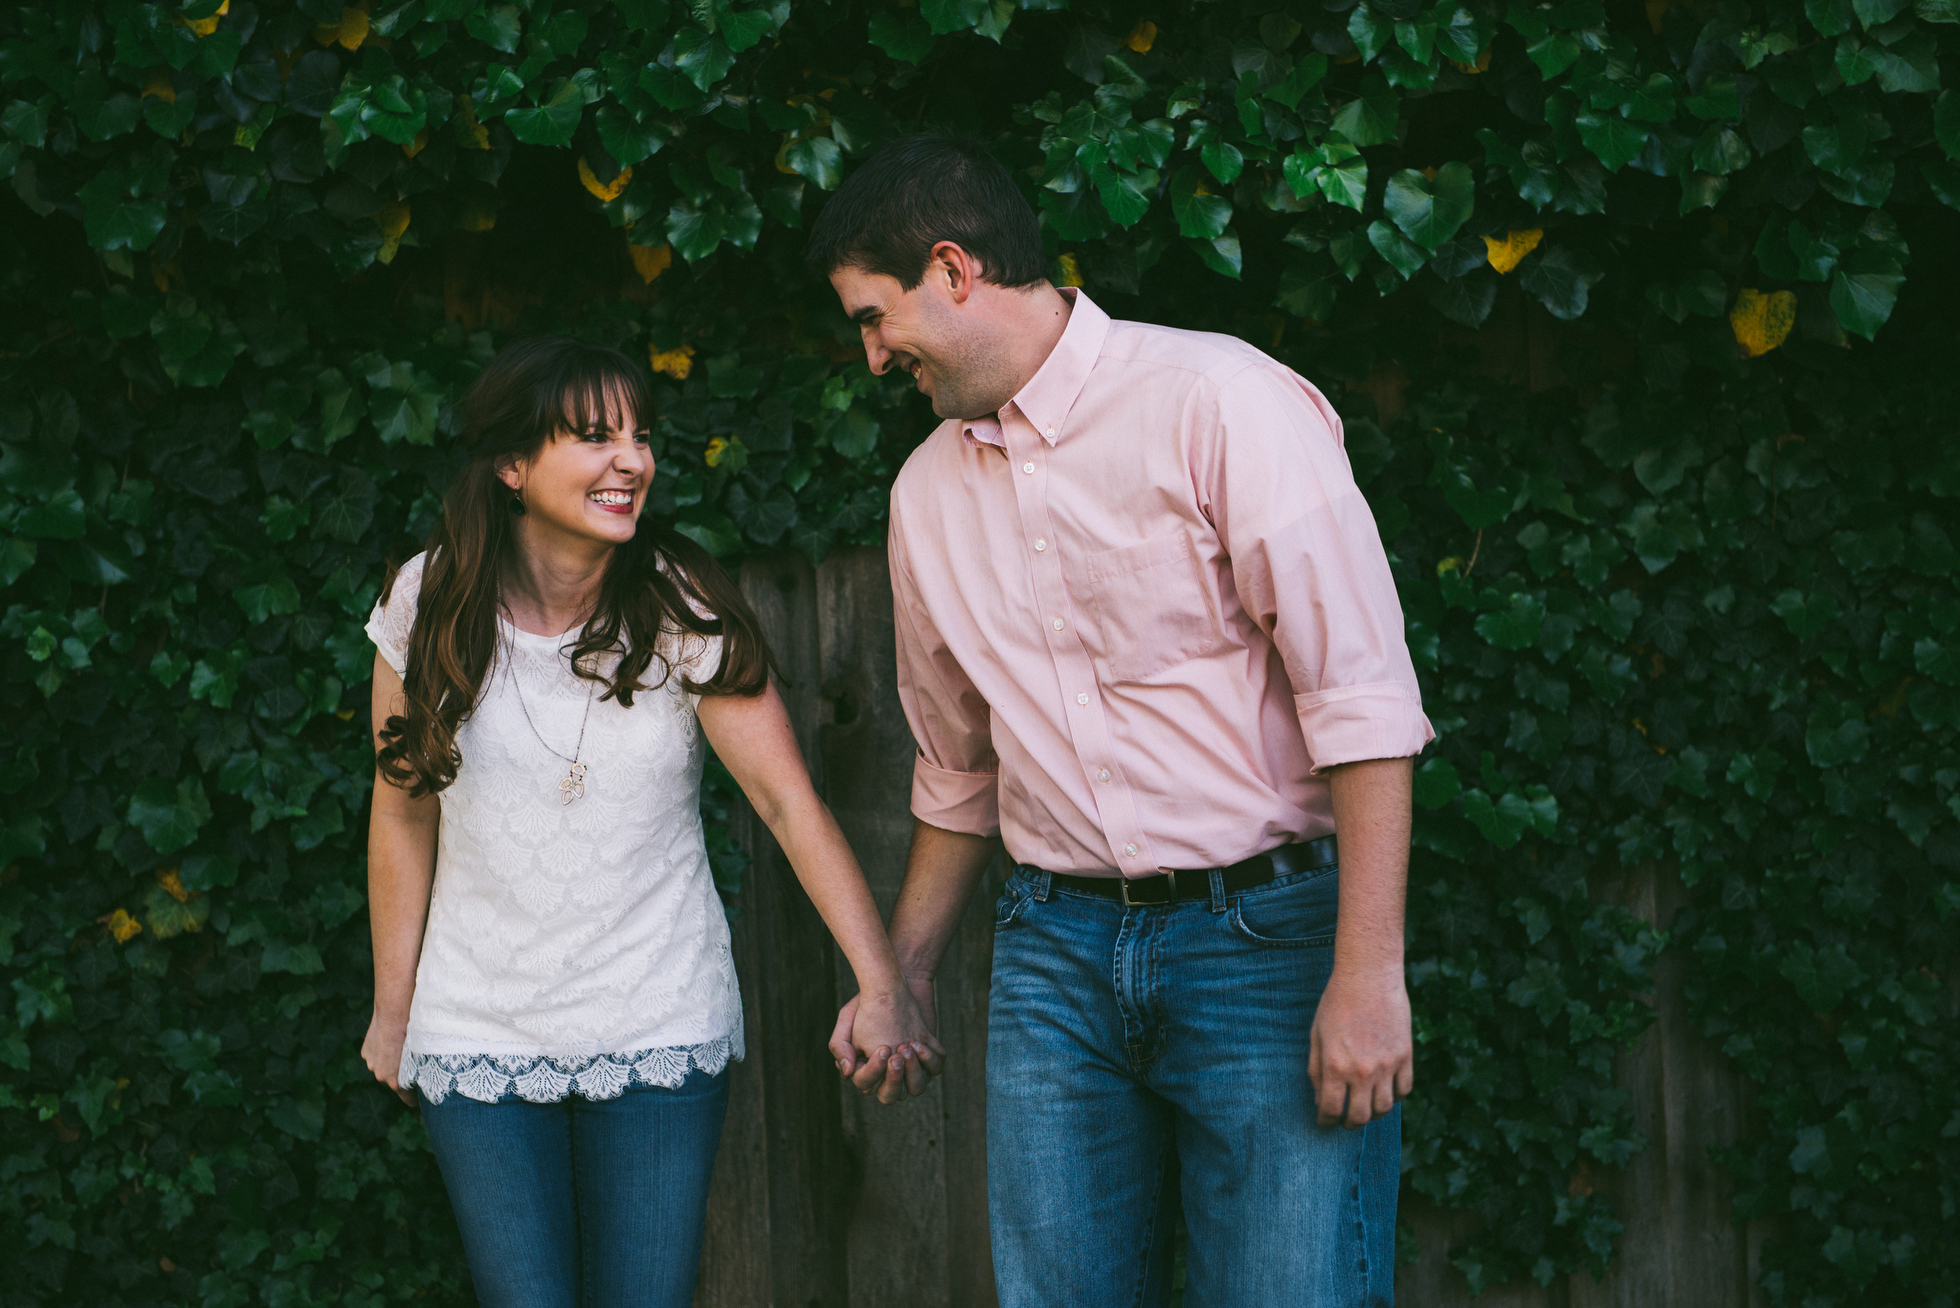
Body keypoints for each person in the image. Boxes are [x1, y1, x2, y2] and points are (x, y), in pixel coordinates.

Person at [812, 134, 1433, 1307]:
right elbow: (958, 770)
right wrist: (903, 976)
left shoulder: (1220, 401)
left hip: (1268, 945)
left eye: (873, 315)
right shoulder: (923, 498)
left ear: (952, 269)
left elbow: (1360, 704)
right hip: (1054, 957)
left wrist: (1367, 973)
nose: (872, 354)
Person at [358, 336, 940, 1308]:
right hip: (477, 1028)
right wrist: (392, 1010)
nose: (632, 459)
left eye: (639, 434)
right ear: (510, 465)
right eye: (594, 435)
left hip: (656, 1018)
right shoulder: (428, 602)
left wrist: (881, 981)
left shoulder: (677, 604)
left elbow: (787, 803)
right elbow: (401, 816)